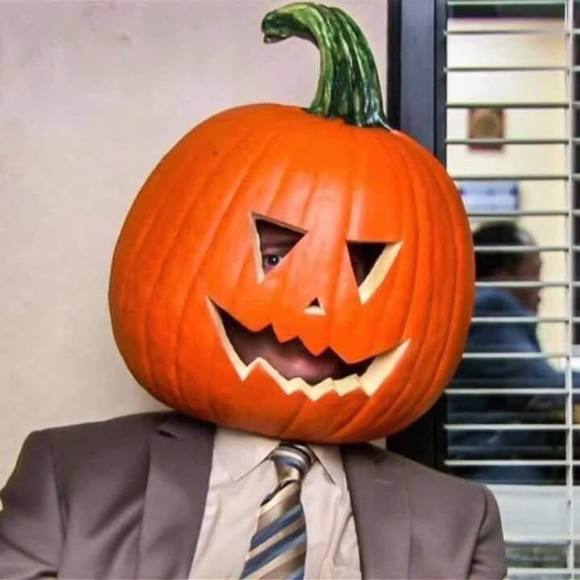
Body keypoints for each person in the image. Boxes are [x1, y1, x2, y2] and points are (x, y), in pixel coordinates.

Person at [0, 3, 506, 578]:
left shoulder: (461, 524)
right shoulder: (66, 477)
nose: (315, 300)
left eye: (360, 268)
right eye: (275, 255)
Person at [447, 221, 572, 484]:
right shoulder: (490, 307)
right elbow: (545, 390)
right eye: (535, 272)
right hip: (487, 467)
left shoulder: (465, 307)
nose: (541, 288)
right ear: (503, 276)